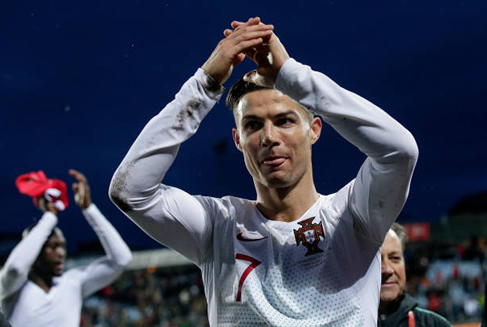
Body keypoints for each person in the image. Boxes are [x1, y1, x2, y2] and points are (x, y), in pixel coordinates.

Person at [109, 17, 418, 326]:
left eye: (284, 120)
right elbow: (130, 191)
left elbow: (399, 151)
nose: (269, 137)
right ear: (238, 140)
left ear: (314, 129)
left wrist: (291, 75)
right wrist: (204, 85)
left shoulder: (352, 216)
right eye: (253, 125)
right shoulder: (219, 227)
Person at [0, 169, 132, 326]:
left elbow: (122, 259)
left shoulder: (72, 283)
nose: (61, 253)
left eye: (62, 246)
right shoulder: (11, 288)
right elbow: (16, 268)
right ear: (35, 251)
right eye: (52, 247)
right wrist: (50, 217)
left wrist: (89, 209)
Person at [378, 223, 452, 326]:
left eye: (395, 258)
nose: (387, 269)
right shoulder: (349, 323)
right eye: (376, 261)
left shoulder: (435, 324)